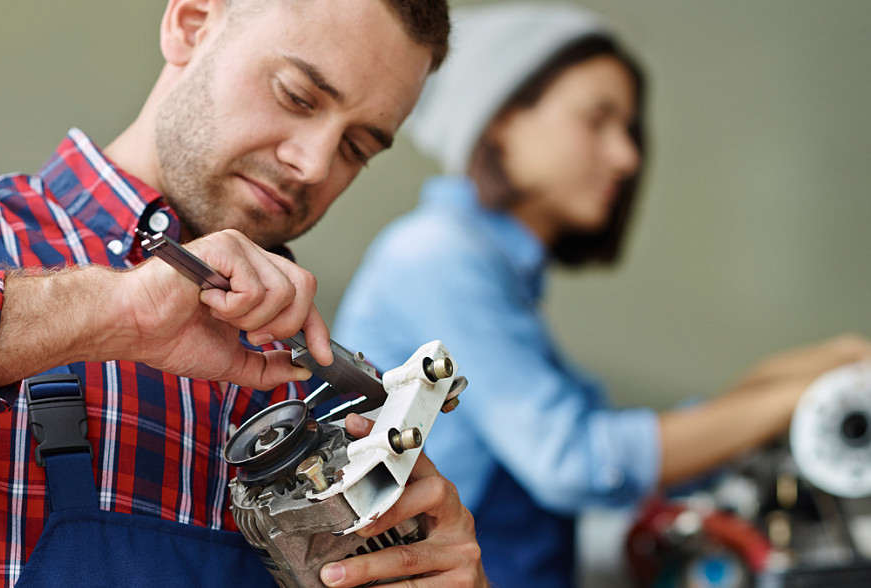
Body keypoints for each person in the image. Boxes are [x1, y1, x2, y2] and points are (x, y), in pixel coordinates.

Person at [0, 0, 488, 586]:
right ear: (190, 24)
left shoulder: (328, 397)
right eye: (296, 96)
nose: (314, 163)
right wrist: (114, 311)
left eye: (355, 147)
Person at [332, 2, 871, 587]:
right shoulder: (436, 255)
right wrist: (795, 395)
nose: (627, 155)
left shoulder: (484, 269)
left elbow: (633, 448)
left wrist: (813, 369)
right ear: (503, 119)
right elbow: (578, 463)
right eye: (598, 119)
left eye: (629, 129)